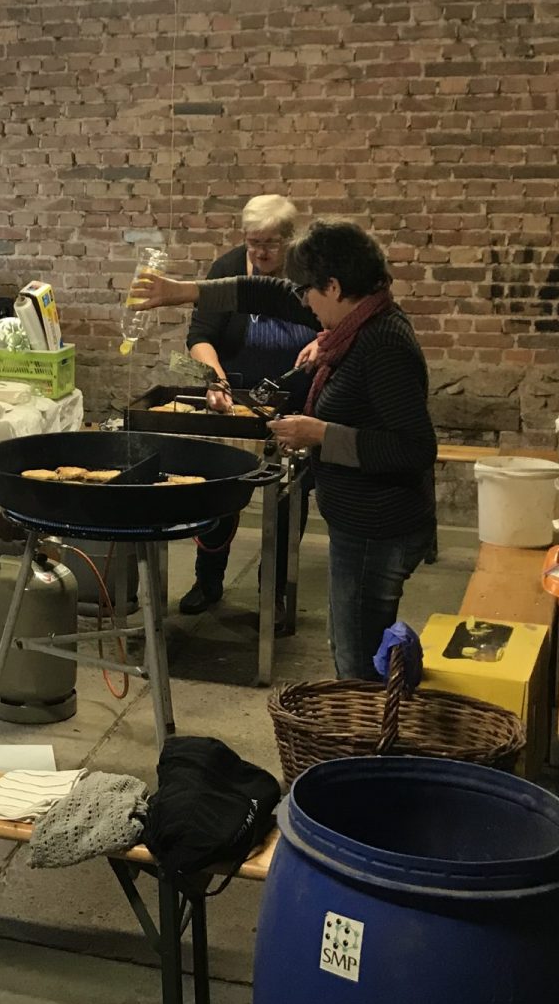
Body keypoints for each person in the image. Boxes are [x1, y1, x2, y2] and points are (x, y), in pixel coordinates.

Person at [133, 219, 437, 680]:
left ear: (333, 287)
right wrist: (183, 292)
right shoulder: (357, 323)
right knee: (354, 646)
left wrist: (321, 434)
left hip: (378, 528)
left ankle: (368, 723)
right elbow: (269, 294)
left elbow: (415, 448)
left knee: (357, 661)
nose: (304, 304)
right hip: (364, 524)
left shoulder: (381, 343)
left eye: (308, 292)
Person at [181, 194, 318, 614]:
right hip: (236, 400)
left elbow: (336, 324)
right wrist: (215, 378)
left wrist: (325, 342)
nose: (259, 253)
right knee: (221, 487)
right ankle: (208, 579)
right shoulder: (227, 269)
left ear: (290, 240)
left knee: (289, 497)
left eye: (270, 244)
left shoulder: (311, 272)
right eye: (252, 242)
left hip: (297, 400)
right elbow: (200, 336)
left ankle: (272, 592)